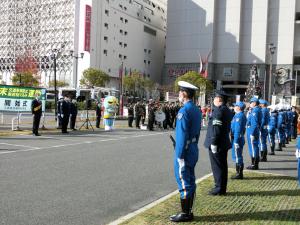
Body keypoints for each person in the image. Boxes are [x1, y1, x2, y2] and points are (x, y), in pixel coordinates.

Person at [169, 81, 201, 222]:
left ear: (185, 94)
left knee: (183, 180)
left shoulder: (184, 111)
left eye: (180, 92)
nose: (179, 95)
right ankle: (189, 211)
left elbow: (181, 136)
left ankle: (185, 213)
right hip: (193, 148)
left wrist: (179, 154)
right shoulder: (196, 109)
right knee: (190, 180)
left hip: (185, 150)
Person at [204, 90, 233, 195]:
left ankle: (218, 188)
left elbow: (216, 128)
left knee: (217, 167)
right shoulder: (226, 110)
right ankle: (222, 187)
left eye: (215, 98)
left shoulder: (218, 111)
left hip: (218, 143)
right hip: (223, 142)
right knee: (222, 166)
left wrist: (214, 143)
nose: (214, 100)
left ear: (219, 100)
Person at [230, 101, 247, 179]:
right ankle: (238, 173)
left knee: (238, 156)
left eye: (235, 106)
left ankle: (239, 174)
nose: (234, 107)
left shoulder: (239, 116)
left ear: (239, 107)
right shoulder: (238, 115)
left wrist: (236, 141)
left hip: (237, 138)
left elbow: (237, 129)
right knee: (237, 155)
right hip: (237, 137)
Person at [246, 97, 262, 170]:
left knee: (253, 148)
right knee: (253, 147)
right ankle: (254, 164)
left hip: (252, 131)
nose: (250, 104)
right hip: (253, 130)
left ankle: (254, 165)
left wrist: (252, 133)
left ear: (254, 103)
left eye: (251, 102)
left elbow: (254, 124)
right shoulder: (255, 110)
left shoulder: (255, 110)